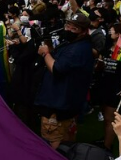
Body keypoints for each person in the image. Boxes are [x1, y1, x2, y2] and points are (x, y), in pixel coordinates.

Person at [34, 13, 94, 148]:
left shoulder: (77, 49)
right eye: (68, 25)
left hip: (59, 105)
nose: (68, 30)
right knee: (66, 142)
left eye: (74, 28)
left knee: (53, 142)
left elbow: (57, 69)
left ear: (84, 32)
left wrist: (45, 53)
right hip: (64, 102)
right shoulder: (73, 43)